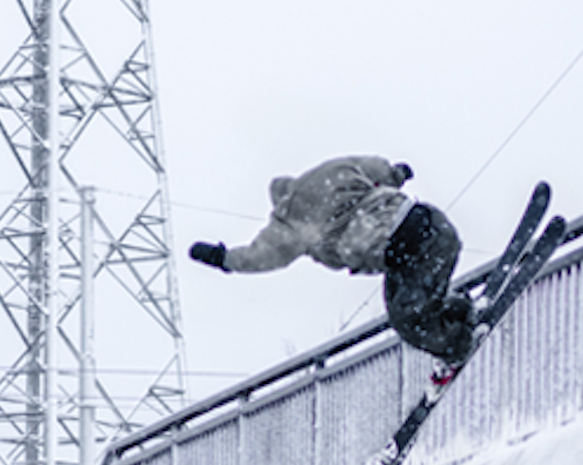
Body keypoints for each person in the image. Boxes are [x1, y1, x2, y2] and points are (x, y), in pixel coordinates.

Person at [188, 154, 480, 369]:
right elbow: (378, 168)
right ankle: (460, 314)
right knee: (406, 306)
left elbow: (258, 257)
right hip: (432, 226)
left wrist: (222, 258)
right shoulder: (332, 171)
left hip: (409, 248)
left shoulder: (289, 222)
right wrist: (397, 173)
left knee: (407, 320)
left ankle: (461, 347)